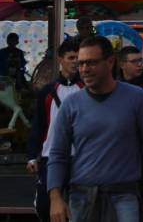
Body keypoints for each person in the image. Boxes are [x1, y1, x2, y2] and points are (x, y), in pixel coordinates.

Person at [46, 35, 143, 222]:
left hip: (124, 195)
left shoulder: (137, 98)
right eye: (81, 63)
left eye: (91, 63)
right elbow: (58, 154)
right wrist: (55, 198)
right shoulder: (71, 105)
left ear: (110, 62)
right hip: (81, 197)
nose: (84, 69)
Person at [27, 38, 81, 222]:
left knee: (79, 206)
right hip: (50, 156)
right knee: (45, 205)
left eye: (78, 58)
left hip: (80, 157)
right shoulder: (48, 92)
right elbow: (38, 126)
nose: (75, 61)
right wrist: (32, 156)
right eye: (71, 57)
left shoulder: (87, 89)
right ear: (60, 59)